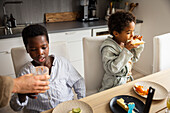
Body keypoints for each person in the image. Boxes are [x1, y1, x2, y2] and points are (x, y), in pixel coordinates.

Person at [10, 24, 86, 113]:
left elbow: (78, 81)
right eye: (34, 49)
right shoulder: (25, 73)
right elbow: (15, 107)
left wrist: (82, 102)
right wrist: (22, 94)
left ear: (48, 45)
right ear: (27, 50)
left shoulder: (62, 63)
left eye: (44, 47)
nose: (40, 53)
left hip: (65, 110)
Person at [99, 11, 144, 91]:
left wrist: (138, 45)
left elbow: (134, 59)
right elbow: (112, 69)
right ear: (116, 33)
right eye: (128, 32)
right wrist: (126, 50)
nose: (132, 35)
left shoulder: (125, 44)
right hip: (113, 86)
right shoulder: (108, 48)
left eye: (133, 31)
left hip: (127, 82)